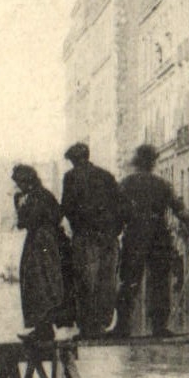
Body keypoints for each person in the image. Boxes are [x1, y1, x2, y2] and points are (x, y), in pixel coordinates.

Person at [114, 144, 189, 339]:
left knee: (129, 281)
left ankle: (122, 326)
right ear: (153, 162)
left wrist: (114, 234)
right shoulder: (162, 184)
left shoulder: (126, 184)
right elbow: (180, 211)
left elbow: (116, 213)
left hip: (135, 234)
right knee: (160, 284)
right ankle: (159, 326)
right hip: (158, 235)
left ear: (137, 162)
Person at [60, 142, 126, 337]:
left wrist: (75, 226)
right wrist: (115, 229)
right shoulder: (106, 176)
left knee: (84, 281)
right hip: (108, 237)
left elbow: (67, 206)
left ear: (73, 159)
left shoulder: (71, 177)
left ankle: (87, 327)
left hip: (85, 236)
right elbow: (120, 204)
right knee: (106, 281)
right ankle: (102, 324)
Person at [12, 164, 71, 344]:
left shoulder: (36, 196)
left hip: (40, 243)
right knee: (41, 283)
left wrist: (19, 205)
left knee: (38, 282)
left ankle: (43, 329)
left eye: (19, 182)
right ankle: (43, 328)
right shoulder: (43, 194)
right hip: (45, 241)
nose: (18, 186)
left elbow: (24, 222)